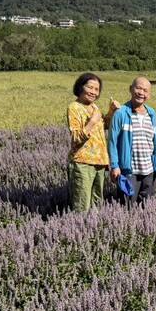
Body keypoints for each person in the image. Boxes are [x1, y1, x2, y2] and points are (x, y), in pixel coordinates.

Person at [108, 76, 156, 206]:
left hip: (149, 169)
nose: (141, 93)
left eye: (145, 90)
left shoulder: (151, 113)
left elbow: (155, 133)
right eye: (138, 88)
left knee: (146, 205)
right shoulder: (121, 113)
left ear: (149, 95)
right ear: (131, 89)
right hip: (129, 171)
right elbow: (112, 141)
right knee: (127, 205)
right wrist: (115, 166)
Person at [66, 72, 120, 212]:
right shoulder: (74, 107)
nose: (93, 92)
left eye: (96, 89)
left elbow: (104, 126)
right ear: (80, 87)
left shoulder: (94, 107)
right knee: (82, 205)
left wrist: (111, 112)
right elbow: (76, 138)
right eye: (90, 87)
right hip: (83, 163)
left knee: (97, 205)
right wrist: (92, 122)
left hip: (100, 162)